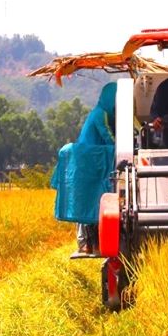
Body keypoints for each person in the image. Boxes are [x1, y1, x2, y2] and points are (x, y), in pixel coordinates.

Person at [50, 82, 117, 255]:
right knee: (91, 204)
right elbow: (107, 136)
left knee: (88, 203)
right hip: (89, 161)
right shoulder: (100, 114)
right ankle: (91, 245)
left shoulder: (100, 113)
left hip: (88, 161)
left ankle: (89, 245)